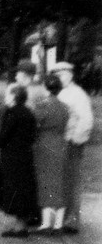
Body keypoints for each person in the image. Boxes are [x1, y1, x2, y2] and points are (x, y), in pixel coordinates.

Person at [52, 61, 95, 235]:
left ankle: (72, 220)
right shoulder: (58, 92)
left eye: (61, 75)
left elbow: (86, 120)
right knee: (59, 181)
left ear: (70, 75)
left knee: (72, 181)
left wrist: (75, 139)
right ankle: (58, 218)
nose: (58, 78)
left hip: (72, 143)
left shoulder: (78, 95)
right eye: (56, 75)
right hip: (58, 142)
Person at [0, 84, 40, 238]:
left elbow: (3, 136)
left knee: (14, 189)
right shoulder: (28, 113)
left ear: (14, 96)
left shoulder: (13, 113)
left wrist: (1, 142)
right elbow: (33, 135)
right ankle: (21, 224)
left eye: (8, 95)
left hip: (12, 157)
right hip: (25, 155)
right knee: (23, 188)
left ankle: (20, 228)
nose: (5, 97)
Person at [31, 73, 70, 235]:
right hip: (61, 144)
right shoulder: (64, 107)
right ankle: (58, 224)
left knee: (45, 181)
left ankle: (46, 223)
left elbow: (35, 125)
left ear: (46, 87)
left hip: (45, 144)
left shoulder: (41, 106)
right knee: (59, 181)